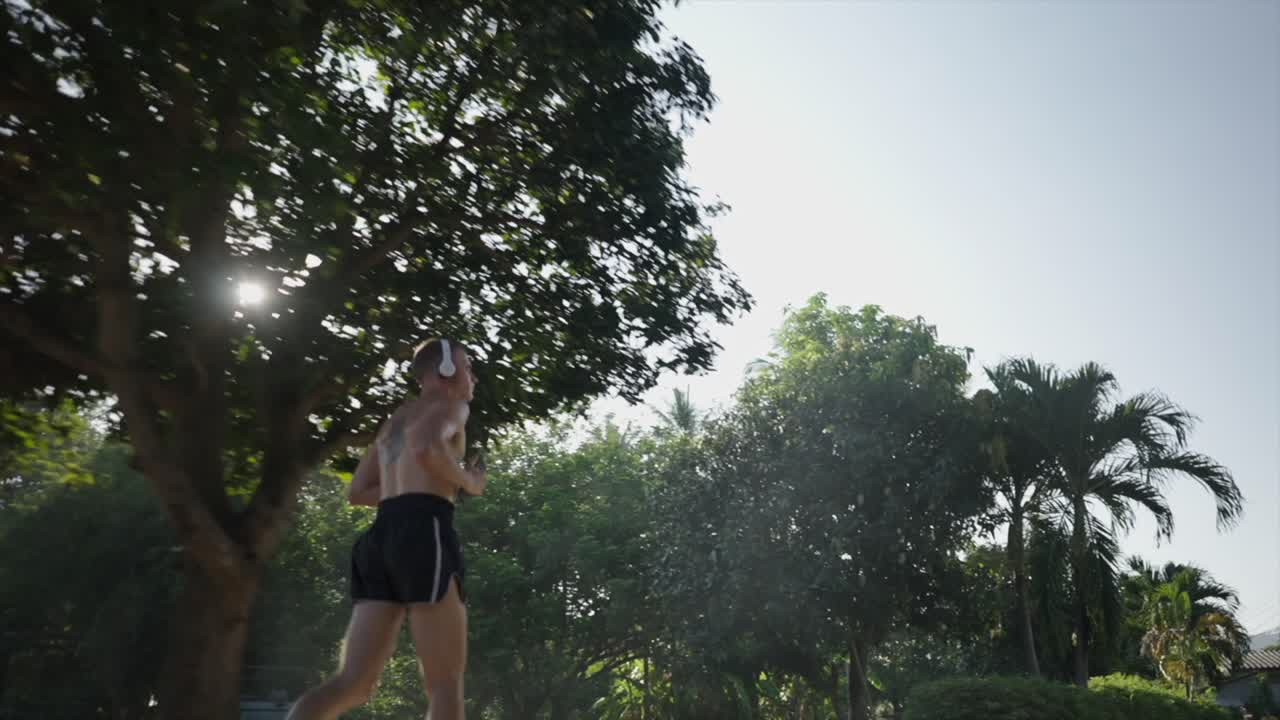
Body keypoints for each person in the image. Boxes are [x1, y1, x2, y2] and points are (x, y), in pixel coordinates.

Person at [286, 338, 485, 720]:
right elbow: (428, 448)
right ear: (444, 371)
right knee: (444, 685)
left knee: (352, 684)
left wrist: (408, 489)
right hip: (425, 532)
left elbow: (358, 492)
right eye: (467, 366)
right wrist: (468, 481)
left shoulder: (393, 422)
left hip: (381, 538)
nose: (473, 376)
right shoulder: (452, 405)